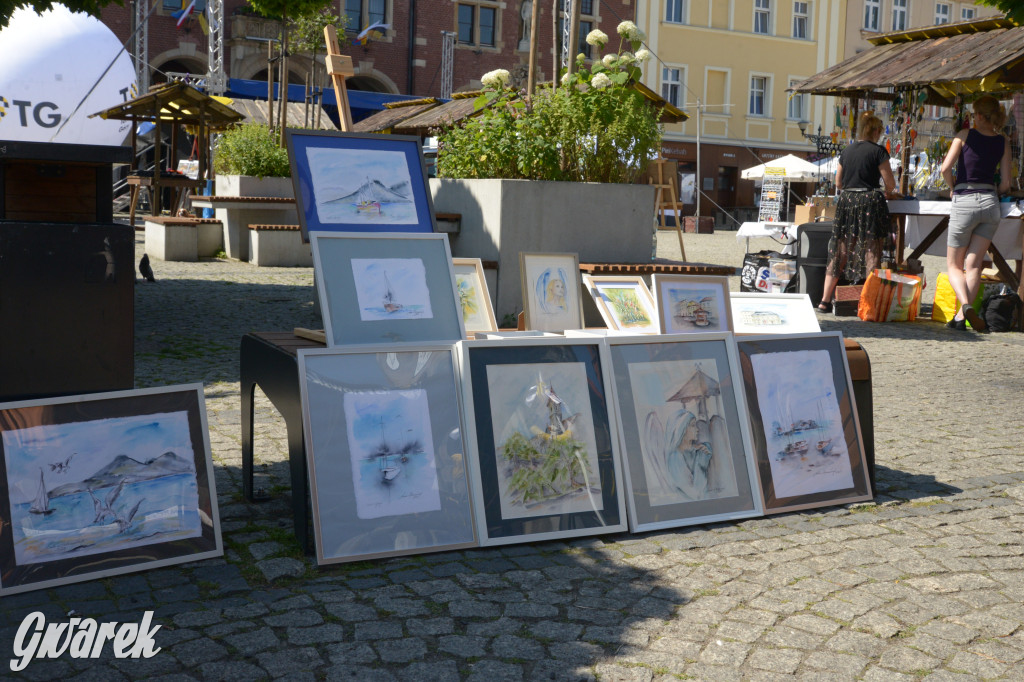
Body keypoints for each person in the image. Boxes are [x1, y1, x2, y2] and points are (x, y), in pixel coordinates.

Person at [939, 96, 1011, 332]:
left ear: (979, 116)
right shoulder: (1003, 141)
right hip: (991, 203)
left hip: (965, 199)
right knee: (974, 264)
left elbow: (945, 168)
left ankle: (966, 306)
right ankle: (961, 317)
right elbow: (1006, 185)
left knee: (953, 264)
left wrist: (952, 188)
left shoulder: (964, 135)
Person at [819, 112, 899, 311]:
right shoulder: (878, 151)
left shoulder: (846, 152)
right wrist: (890, 192)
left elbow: (838, 182)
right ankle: (869, 302)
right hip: (869, 202)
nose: (880, 134)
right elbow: (890, 184)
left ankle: (824, 301)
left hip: (847, 202)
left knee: (840, 250)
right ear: (873, 130)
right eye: (879, 131)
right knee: (872, 250)